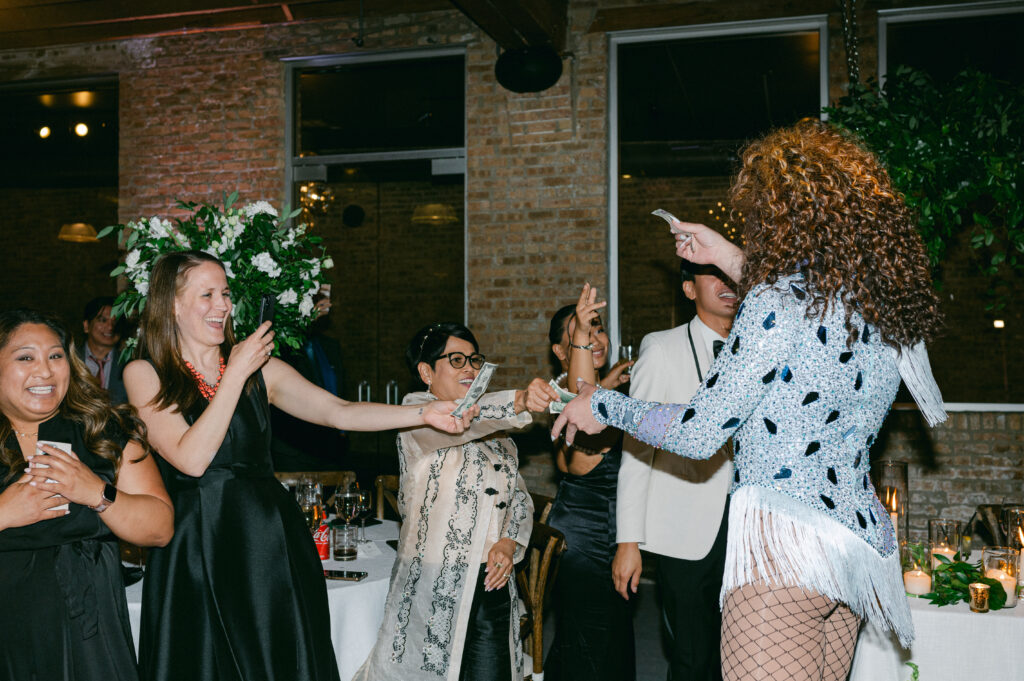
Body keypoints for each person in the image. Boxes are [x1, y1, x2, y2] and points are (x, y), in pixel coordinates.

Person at [553, 120, 944, 681]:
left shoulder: (776, 303)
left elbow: (698, 431)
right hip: (853, 549)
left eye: (761, 211)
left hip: (783, 554)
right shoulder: (879, 307)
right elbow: (806, 311)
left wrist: (602, 405)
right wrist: (730, 255)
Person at [125, 251, 476, 681]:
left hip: (266, 541)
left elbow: (340, 411)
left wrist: (424, 413)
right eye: (208, 295)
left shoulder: (261, 371)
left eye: (226, 293)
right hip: (195, 546)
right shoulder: (146, 373)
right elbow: (192, 459)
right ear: (173, 304)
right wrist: (234, 374)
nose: (223, 305)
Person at [354, 322, 557, 681]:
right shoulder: (415, 418)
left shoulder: (500, 440)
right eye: (457, 359)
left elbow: (520, 501)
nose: (470, 369)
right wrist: (521, 399)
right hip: (434, 586)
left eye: (475, 360)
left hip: (491, 586)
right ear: (426, 371)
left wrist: (508, 543)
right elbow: (459, 422)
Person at [0, 308, 173, 681]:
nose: (45, 371)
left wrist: (95, 491)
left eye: (56, 356)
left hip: (89, 637)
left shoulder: (102, 430)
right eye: (25, 357)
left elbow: (160, 527)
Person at [614, 259, 738, 681]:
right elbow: (637, 446)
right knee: (692, 656)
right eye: (713, 275)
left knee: (745, 652)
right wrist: (628, 540)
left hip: (752, 527)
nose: (726, 282)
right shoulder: (662, 347)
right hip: (686, 529)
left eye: (731, 273)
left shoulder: (761, 348)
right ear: (689, 290)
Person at [544, 283, 635, 681]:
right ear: (562, 352)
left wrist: (612, 388)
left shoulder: (612, 393)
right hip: (587, 537)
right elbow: (586, 427)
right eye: (582, 333)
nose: (595, 338)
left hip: (611, 530)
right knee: (590, 645)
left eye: (597, 328)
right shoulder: (563, 396)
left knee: (605, 641)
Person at [270, 284, 348, 471]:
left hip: (332, 447)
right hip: (294, 450)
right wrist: (303, 321)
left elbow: (338, 392)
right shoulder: (286, 349)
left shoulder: (331, 346)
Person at [78, 296, 128, 405]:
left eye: (116, 321)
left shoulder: (129, 365)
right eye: (103, 320)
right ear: (86, 326)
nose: (110, 327)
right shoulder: (69, 361)